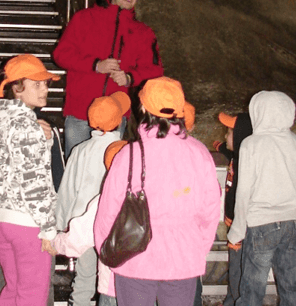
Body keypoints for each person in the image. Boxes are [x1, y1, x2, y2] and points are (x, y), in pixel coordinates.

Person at [94, 77, 221, 306]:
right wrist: (196, 249)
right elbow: (210, 211)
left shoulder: (128, 155)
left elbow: (107, 213)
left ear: (142, 107)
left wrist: (110, 251)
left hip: (134, 259)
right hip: (182, 259)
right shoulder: (199, 153)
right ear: (181, 109)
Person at [53, 0, 164, 157]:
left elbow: (155, 69)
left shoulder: (143, 32)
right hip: (80, 112)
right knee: (75, 173)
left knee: (107, 175)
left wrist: (130, 78)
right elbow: (61, 54)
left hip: (115, 116)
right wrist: (95, 65)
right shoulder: (84, 19)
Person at [0, 54, 61, 306]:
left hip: (0, 218)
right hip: (27, 223)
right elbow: (34, 182)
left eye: (46, 83)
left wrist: (45, 141)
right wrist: (48, 228)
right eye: (37, 84)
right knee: (31, 297)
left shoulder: (0, 119)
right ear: (17, 88)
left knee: (12, 291)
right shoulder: (28, 125)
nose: (45, 89)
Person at [227, 90, 296, 306]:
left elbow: (243, 192)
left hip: (259, 225)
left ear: (258, 112)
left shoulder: (251, 144)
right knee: (291, 285)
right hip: (289, 224)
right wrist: (292, 210)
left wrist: (237, 230)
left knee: (252, 289)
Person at [55, 91, 131, 306]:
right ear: (120, 121)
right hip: (115, 230)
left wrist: (62, 224)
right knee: (114, 282)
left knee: (84, 278)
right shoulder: (125, 150)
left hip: (83, 228)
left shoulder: (80, 150)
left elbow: (68, 189)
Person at [47, 140, 128, 306]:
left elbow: (79, 239)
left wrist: (54, 242)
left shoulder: (106, 201)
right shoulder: (156, 196)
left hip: (114, 287)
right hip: (151, 285)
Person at [212, 111, 253, 306]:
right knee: (237, 265)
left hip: (240, 227)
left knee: (238, 267)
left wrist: (237, 229)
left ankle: (234, 301)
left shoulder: (245, 163)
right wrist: (220, 147)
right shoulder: (239, 155)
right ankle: (233, 299)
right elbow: (232, 153)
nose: (225, 136)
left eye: (228, 133)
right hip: (235, 223)